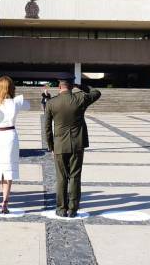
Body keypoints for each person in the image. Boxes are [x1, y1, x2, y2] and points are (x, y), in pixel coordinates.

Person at [44, 79, 101, 218]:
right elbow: (96, 92)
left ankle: (61, 208)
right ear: (72, 86)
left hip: (59, 145)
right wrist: (81, 86)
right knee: (75, 176)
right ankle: (73, 209)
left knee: (61, 177)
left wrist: (51, 146)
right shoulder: (80, 98)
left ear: (59, 87)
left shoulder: (51, 103)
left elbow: (47, 129)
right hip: (77, 144)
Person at [0, 76, 29, 214]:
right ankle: (5, 203)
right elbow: (28, 105)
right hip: (10, 136)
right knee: (8, 172)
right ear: (11, 88)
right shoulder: (15, 102)